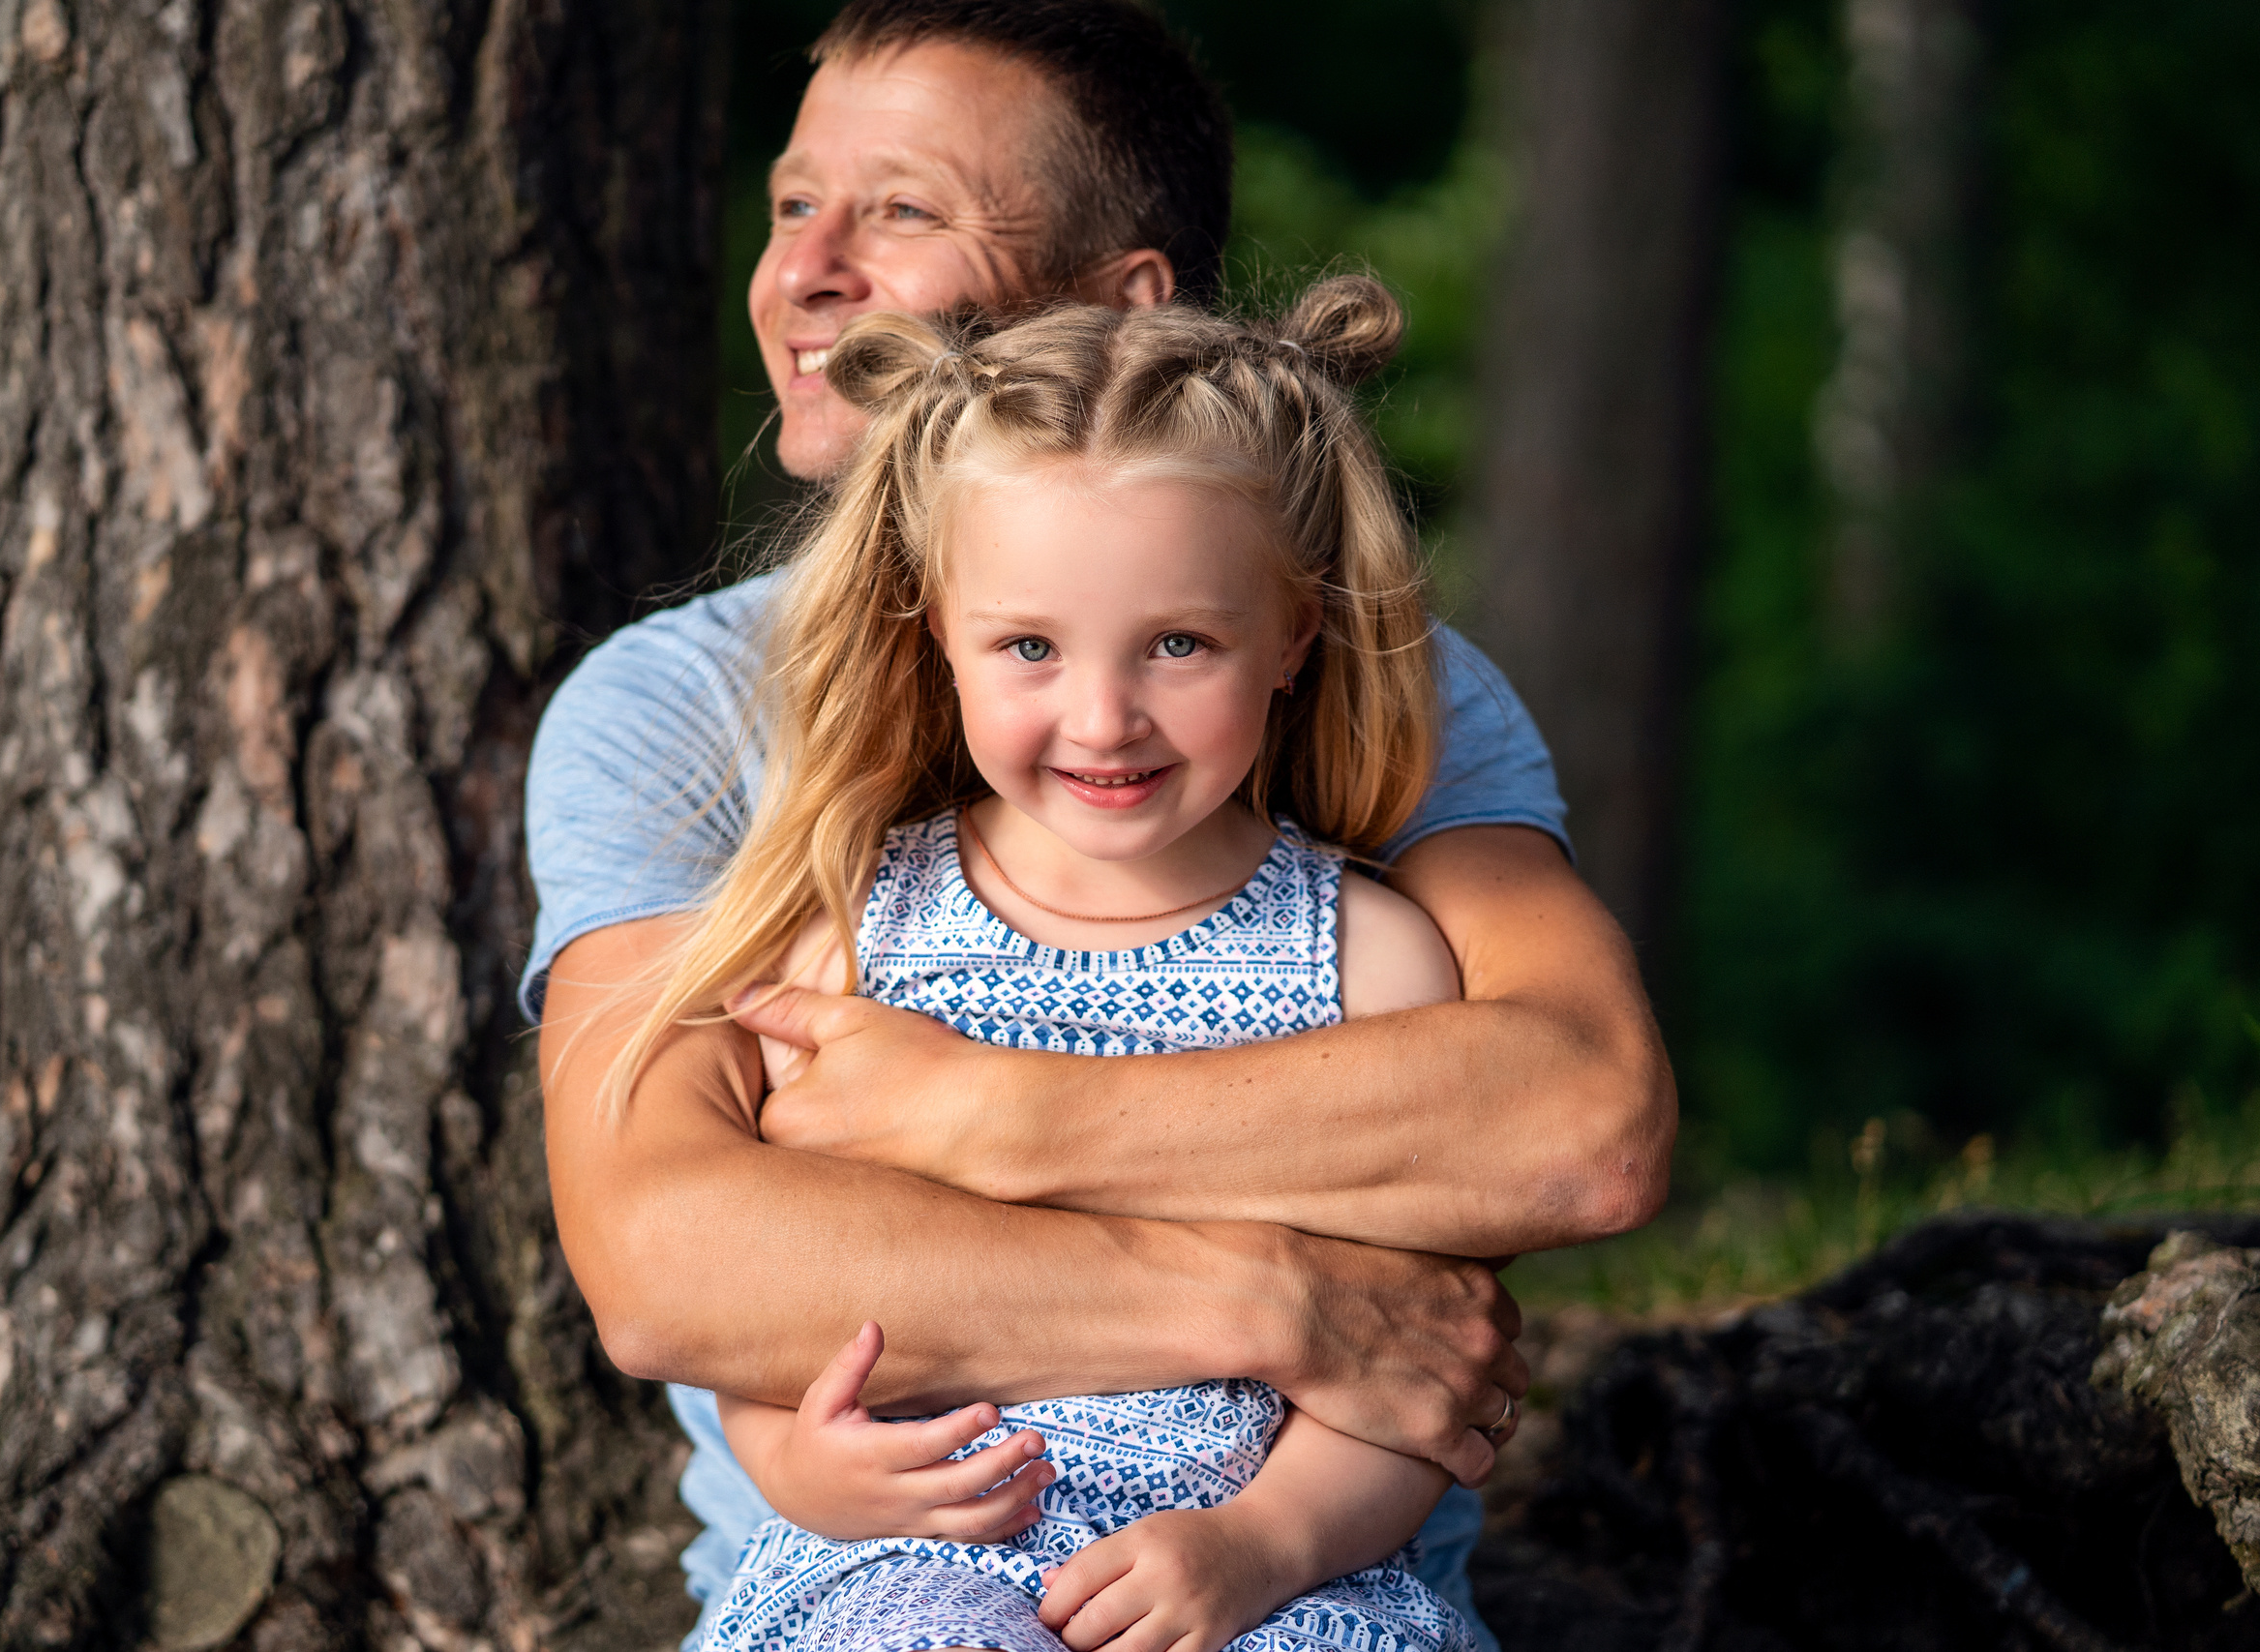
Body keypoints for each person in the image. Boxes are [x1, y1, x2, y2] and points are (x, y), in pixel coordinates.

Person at [527, 2, 1674, 1647]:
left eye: (904, 208)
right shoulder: (677, 717)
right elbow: (668, 1254)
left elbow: (1576, 1117)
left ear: (1127, 303)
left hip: (1294, 1581)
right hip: (906, 1575)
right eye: (794, 205)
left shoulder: (1371, 679)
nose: (805, 273)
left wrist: (1004, 1120)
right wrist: (1282, 1299)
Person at [648, 275, 1479, 1652]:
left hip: (1265, 1563)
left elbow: (1416, 1367)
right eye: (1028, 646)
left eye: (1178, 645)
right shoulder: (857, 934)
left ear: (1295, 635)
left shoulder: (1372, 961)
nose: (1104, 717)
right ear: (935, 635)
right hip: (921, 1553)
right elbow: (766, 1306)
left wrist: (1262, 1545)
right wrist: (801, 1464)